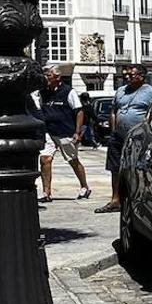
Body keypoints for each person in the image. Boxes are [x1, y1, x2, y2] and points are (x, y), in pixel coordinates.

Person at [95, 65, 152, 214]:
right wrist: (113, 131)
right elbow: (113, 111)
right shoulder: (121, 91)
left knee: (139, 168)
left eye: (131, 75)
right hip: (118, 137)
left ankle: (141, 199)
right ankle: (115, 199)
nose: (127, 77)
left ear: (141, 77)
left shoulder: (151, 92)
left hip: (139, 138)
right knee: (115, 168)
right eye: (126, 75)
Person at [34, 64, 92, 203]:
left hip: (65, 131)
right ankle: (46, 192)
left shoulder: (68, 91)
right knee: (45, 160)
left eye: (48, 75)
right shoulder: (43, 92)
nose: (45, 78)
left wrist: (77, 132)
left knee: (72, 160)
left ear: (57, 77)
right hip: (49, 131)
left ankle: (84, 186)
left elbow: (79, 111)